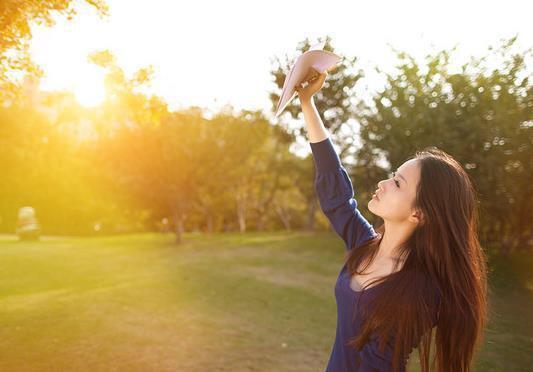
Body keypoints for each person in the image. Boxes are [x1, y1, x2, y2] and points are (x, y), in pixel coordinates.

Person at [294, 68, 488, 372]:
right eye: (392, 176)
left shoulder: (420, 290)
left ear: (419, 213)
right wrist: (307, 102)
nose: (384, 184)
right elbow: (336, 197)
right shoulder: (366, 244)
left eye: (397, 183)